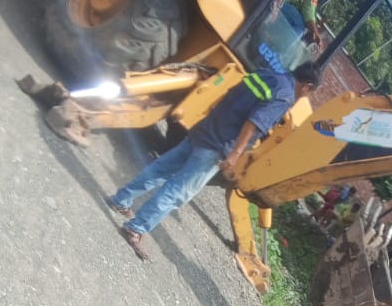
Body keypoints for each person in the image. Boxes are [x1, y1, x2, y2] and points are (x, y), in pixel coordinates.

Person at [106, 61, 319, 260]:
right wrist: (235, 154)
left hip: (206, 129)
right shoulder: (284, 96)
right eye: (310, 93)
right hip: (219, 145)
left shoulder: (265, 74)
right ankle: (136, 228)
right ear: (307, 86)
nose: (306, 97)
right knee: (179, 190)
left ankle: (120, 200)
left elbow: (228, 94)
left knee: (161, 168)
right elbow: (255, 123)